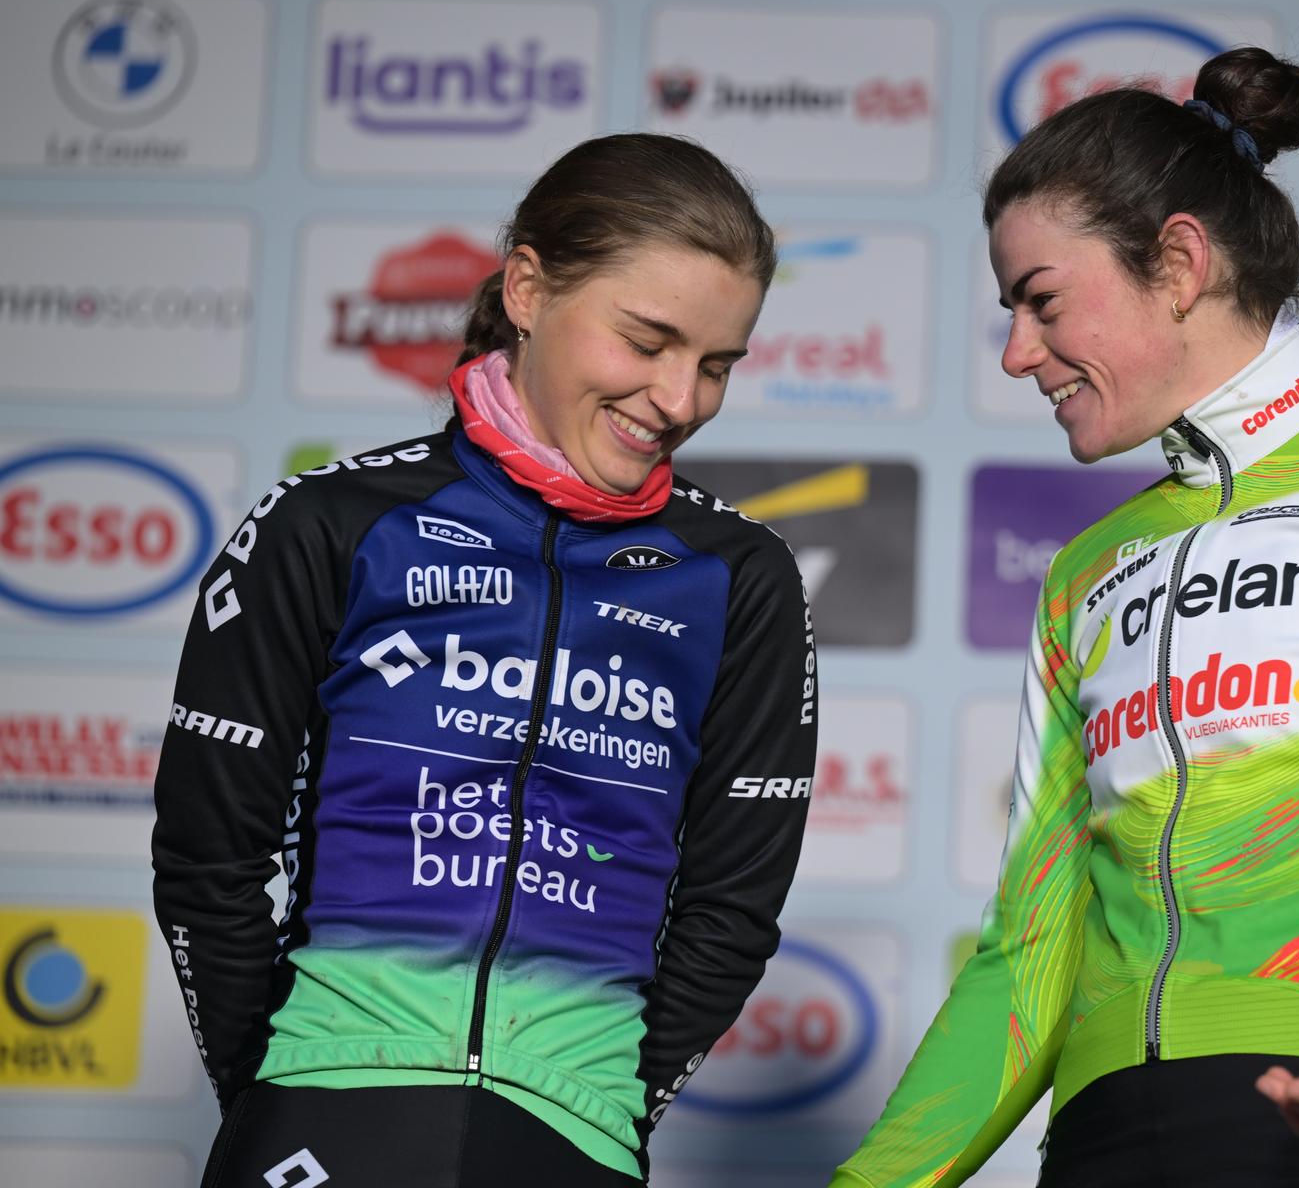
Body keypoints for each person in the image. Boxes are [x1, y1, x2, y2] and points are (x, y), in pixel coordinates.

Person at [832, 49, 1299, 1187]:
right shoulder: (1085, 569)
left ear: (1179, 260)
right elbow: (1031, 949)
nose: (1017, 352)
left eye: (1041, 301)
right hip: (1104, 1135)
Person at [152, 133, 818, 1188]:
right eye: (647, 340)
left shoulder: (739, 576)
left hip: (572, 1125)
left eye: (717, 364)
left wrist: (596, 1096)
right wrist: (279, 1082)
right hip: (322, 1096)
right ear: (527, 287)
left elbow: (731, 912)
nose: (680, 397)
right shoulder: (330, 522)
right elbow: (207, 861)